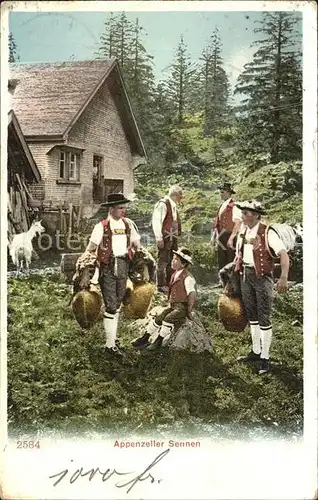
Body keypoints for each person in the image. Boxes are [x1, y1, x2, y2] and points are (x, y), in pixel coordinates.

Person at [234, 200, 289, 374]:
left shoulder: (267, 232)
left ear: (256, 215)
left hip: (263, 277)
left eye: (246, 213)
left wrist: (283, 278)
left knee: (264, 316)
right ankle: (256, 351)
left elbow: (283, 255)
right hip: (245, 275)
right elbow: (239, 256)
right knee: (252, 315)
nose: (242, 216)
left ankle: (265, 357)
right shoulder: (243, 231)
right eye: (242, 213)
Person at [86, 193, 141, 357]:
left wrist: (136, 247)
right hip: (107, 267)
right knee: (110, 304)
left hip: (123, 265)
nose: (123, 210)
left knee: (117, 302)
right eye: (120, 208)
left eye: (124, 207)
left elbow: (136, 244)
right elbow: (90, 248)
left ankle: (113, 338)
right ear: (111, 209)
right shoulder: (101, 226)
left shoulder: (128, 224)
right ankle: (109, 346)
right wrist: (86, 266)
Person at [131, 247, 196, 350]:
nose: (172, 261)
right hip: (173, 305)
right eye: (173, 258)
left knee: (168, 319)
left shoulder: (187, 277)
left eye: (176, 260)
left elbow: (192, 294)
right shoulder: (175, 274)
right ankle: (145, 338)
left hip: (181, 307)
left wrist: (189, 310)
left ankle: (159, 341)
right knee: (160, 317)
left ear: (183, 264)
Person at [151, 185, 183, 293]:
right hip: (164, 238)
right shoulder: (162, 204)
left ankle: (170, 283)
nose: (181, 198)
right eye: (180, 195)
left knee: (172, 261)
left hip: (172, 238)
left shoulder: (173, 206)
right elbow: (157, 221)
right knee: (162, 261)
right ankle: (160, 285)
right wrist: (159, 238)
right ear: (175, 195)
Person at [210, 183, 242, 271]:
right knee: (221, 259)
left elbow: (238, 222)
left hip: (230, 236)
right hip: (221, 236)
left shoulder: (234, 206)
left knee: (231, 258)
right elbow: (217, 223)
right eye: (220, 192)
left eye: (222, 192)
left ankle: (231, 282)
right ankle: (223, 281)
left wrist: (232, 237)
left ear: (228, 193)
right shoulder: (221, 206)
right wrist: (213, 237)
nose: (221, 194)